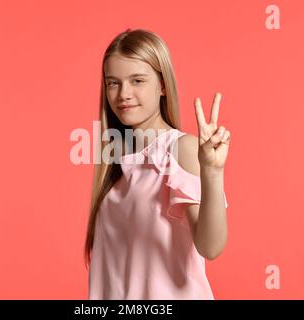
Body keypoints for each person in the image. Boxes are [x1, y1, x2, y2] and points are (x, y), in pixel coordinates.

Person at [84, 28, 231, 300]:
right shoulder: (114, 163)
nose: (123, 94)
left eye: (137, 80)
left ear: (162, 85)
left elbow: (210, 246)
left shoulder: (181, 149)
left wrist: (212, 172)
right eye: (113, 83)